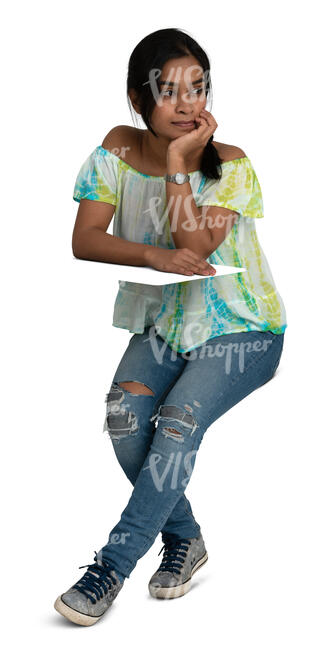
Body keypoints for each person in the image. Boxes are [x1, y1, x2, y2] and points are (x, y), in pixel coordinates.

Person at [54, 27, 287, 626]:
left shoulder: (231, 164)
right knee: (124, 418)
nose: (188, 105)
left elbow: (192, 241)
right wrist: (152, 258)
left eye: (199, 89)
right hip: (168, 325)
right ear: (138, 99)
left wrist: (182, 164)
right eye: (170, 92)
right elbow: (85, 239)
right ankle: (186, 538)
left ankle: (113, 564)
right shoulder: (118, 149)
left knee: (178, 423)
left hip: (244, 329)